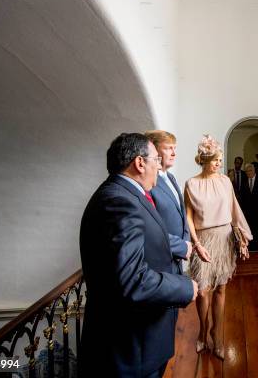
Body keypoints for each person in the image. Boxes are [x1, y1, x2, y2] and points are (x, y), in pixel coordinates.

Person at [79, 133, 198, 378]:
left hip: (142, 341)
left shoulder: (126, 195)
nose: (158, 166)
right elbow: (133, 280)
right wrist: (185, 287)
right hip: (130, 346)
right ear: (139, 163)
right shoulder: (118, 202)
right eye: (155, 159)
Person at [184, 135, 252, 361]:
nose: (219, 163)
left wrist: (242, 238)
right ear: (204, 159)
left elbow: (234, 210)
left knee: (221, 289)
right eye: (216, 159)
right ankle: (203, 331)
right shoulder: (191, 184)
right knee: (203, 291)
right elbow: (189, 218)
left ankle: (217, 335)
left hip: (224, 240)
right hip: (203, 240)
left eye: (220, 159)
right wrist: (196, 243)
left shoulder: (225, 181)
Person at [145, 130, 210, 271]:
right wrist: (180, 247)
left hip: (178, 255)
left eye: (175, 148)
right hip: (161, 257)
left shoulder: (171, 178)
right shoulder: (147, 182)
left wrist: (186, 242)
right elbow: (150, 227)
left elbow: (182, 215)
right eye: (168, 148)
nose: (174, 153)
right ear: (154, 151)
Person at [240, 163, 258, 252]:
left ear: (254, 170)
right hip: (247, 211)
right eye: (246, 171)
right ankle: (251, 247)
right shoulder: (244, 182)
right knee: (249, 228)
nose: (248, 173)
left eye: (250, 170)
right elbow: (241, 197)